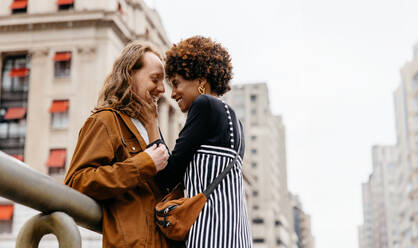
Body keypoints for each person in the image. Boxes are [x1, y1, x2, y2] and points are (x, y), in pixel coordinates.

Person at [144, 36, 253, 247]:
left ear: (201, 82)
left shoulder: (204, 106)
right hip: (237, 236)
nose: (173, 93)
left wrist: (151, 123)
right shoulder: (235, 122)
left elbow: (167, 175)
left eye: (176, 83)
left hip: (210, 236)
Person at [64, 41, 174, 248]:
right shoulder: (105, 121)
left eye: (163, 82)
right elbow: (76, 183)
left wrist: (153, 126)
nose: (161, 89)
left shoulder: (151, 127)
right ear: (130, 74)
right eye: (155, 79)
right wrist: (143, 164)